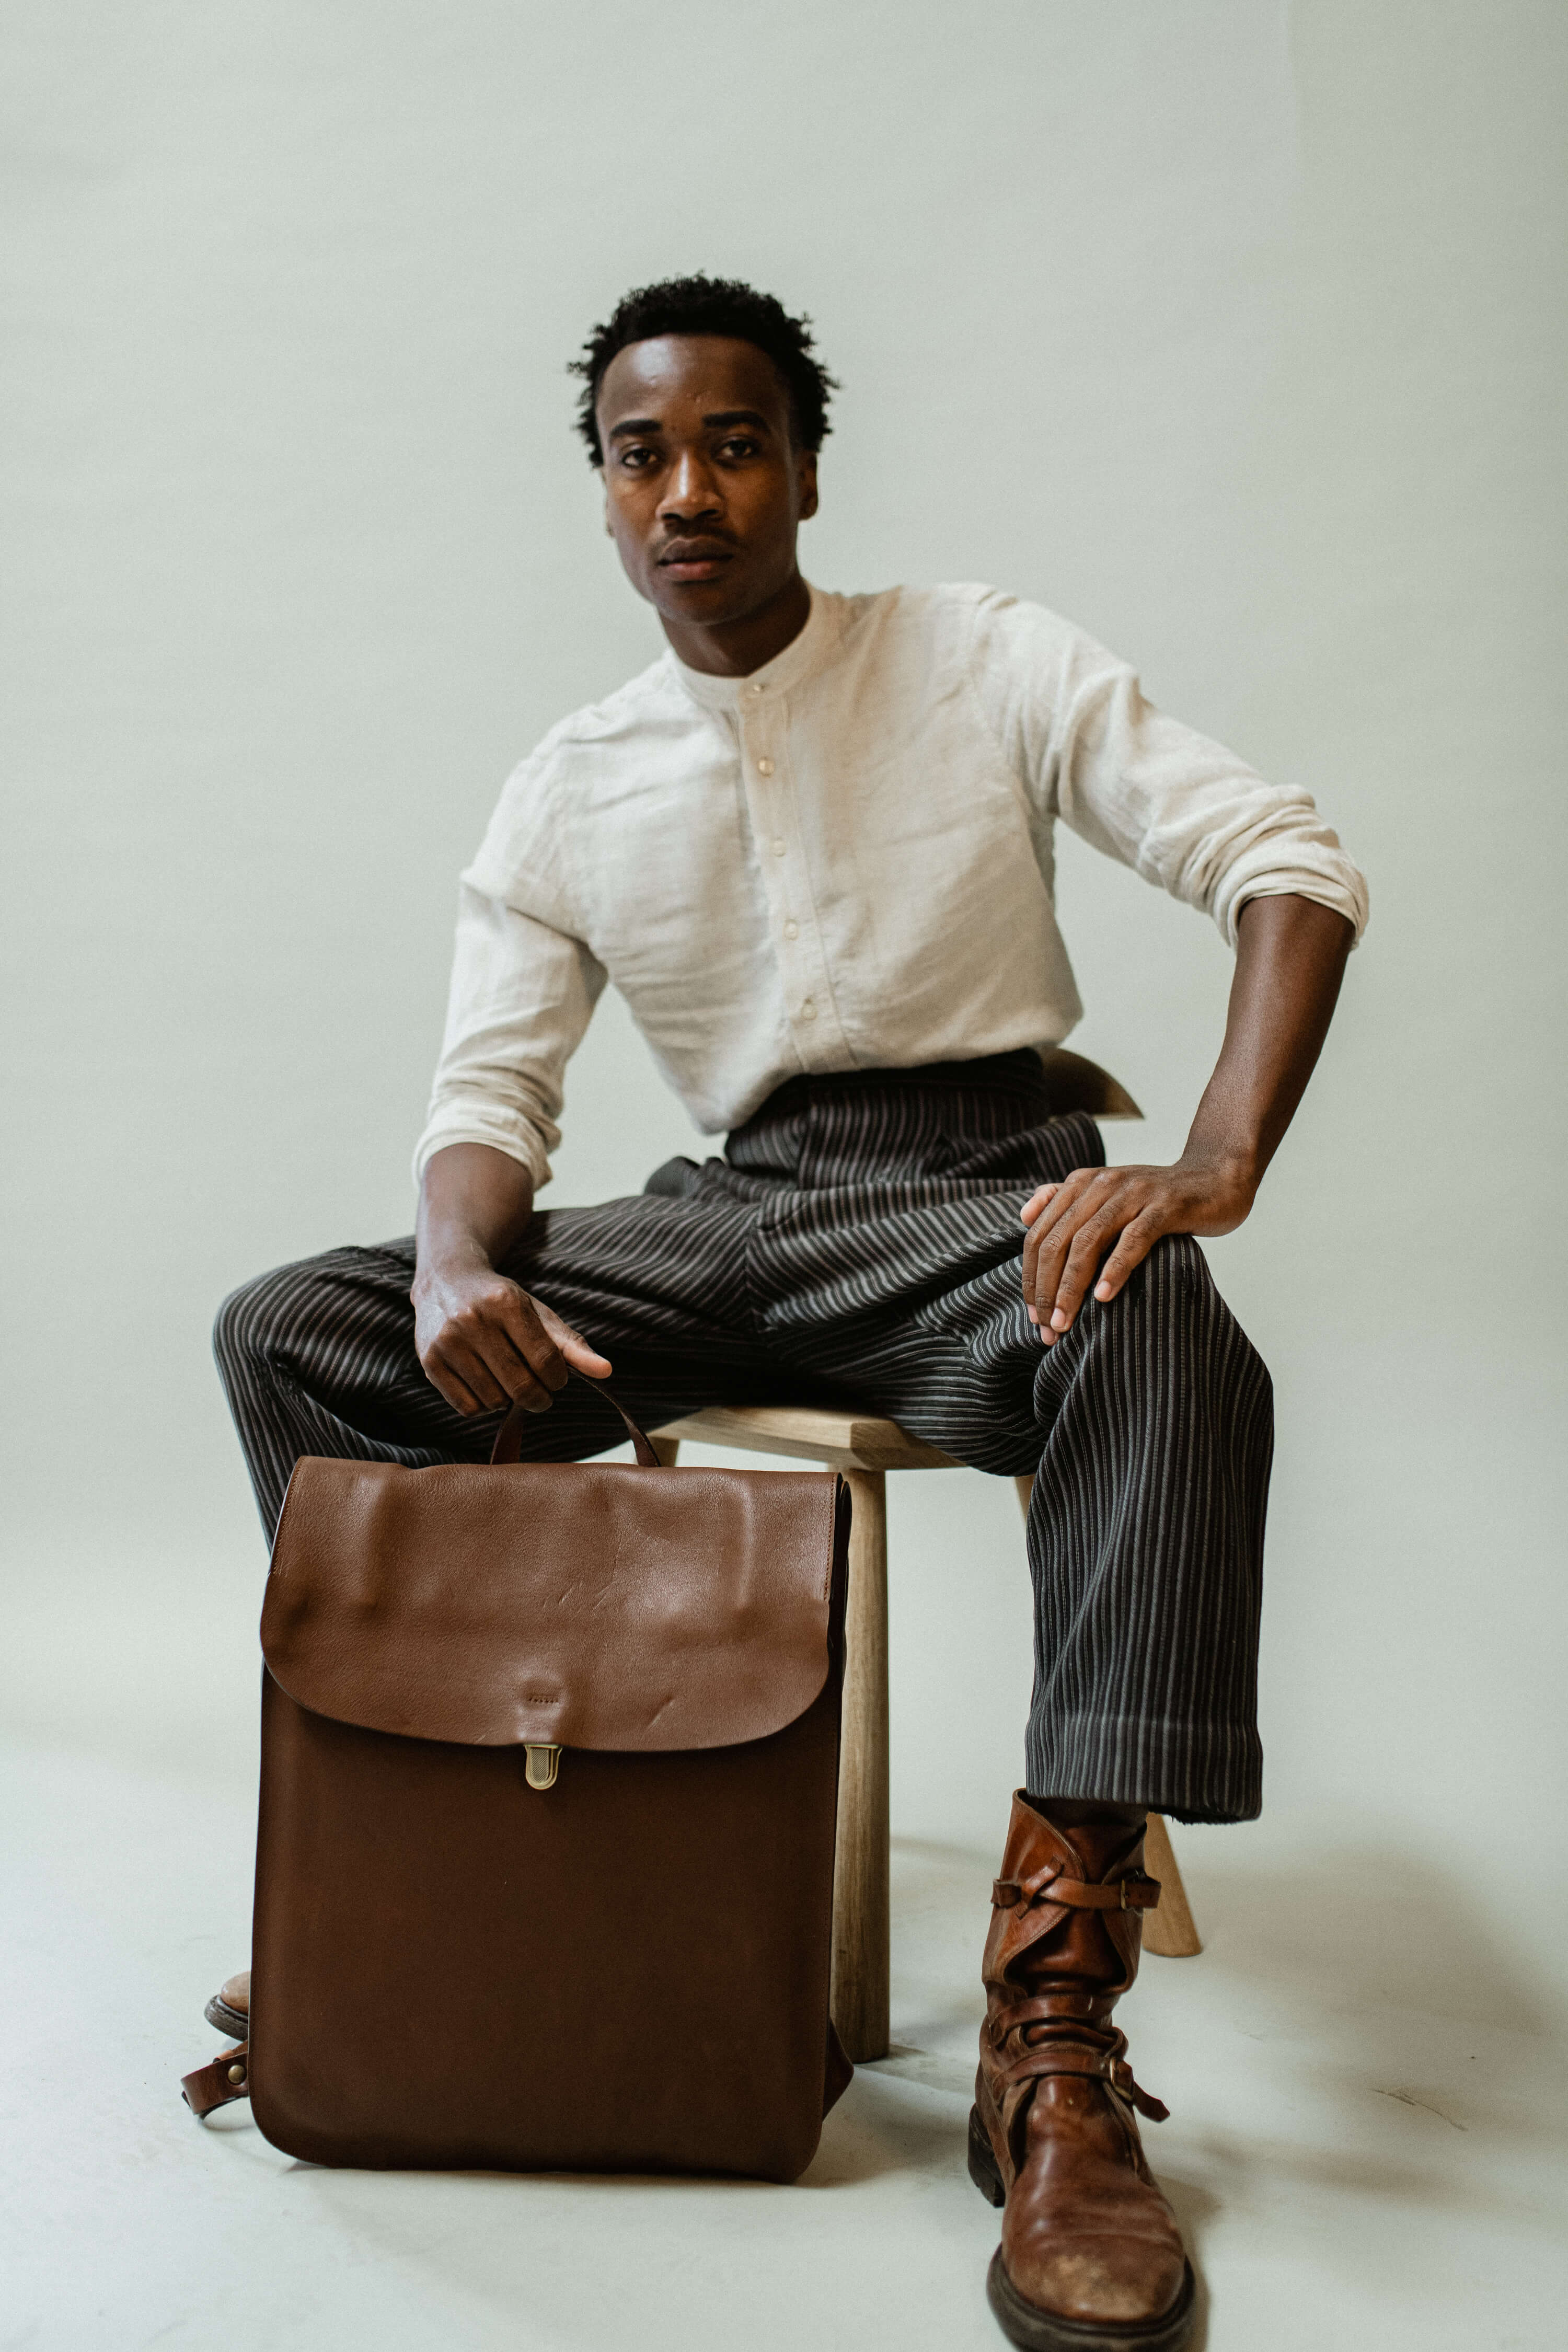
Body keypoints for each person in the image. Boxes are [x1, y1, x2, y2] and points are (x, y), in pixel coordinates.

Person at [210, 275, 1365, 2351]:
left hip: (981, 1206)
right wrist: (464, 1260)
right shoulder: (572, 779)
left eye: (732, 443)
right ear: (601, 493)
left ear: (806, 468)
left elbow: (1282, 857)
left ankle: (1054, 2046)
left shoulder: (979, 655)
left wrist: (1209, 1158)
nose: (688, 488)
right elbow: (490, 1095)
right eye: (642, 453)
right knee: (301, 1327)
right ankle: (461, 1843)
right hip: (732, 1220)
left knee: (1166, 1319)